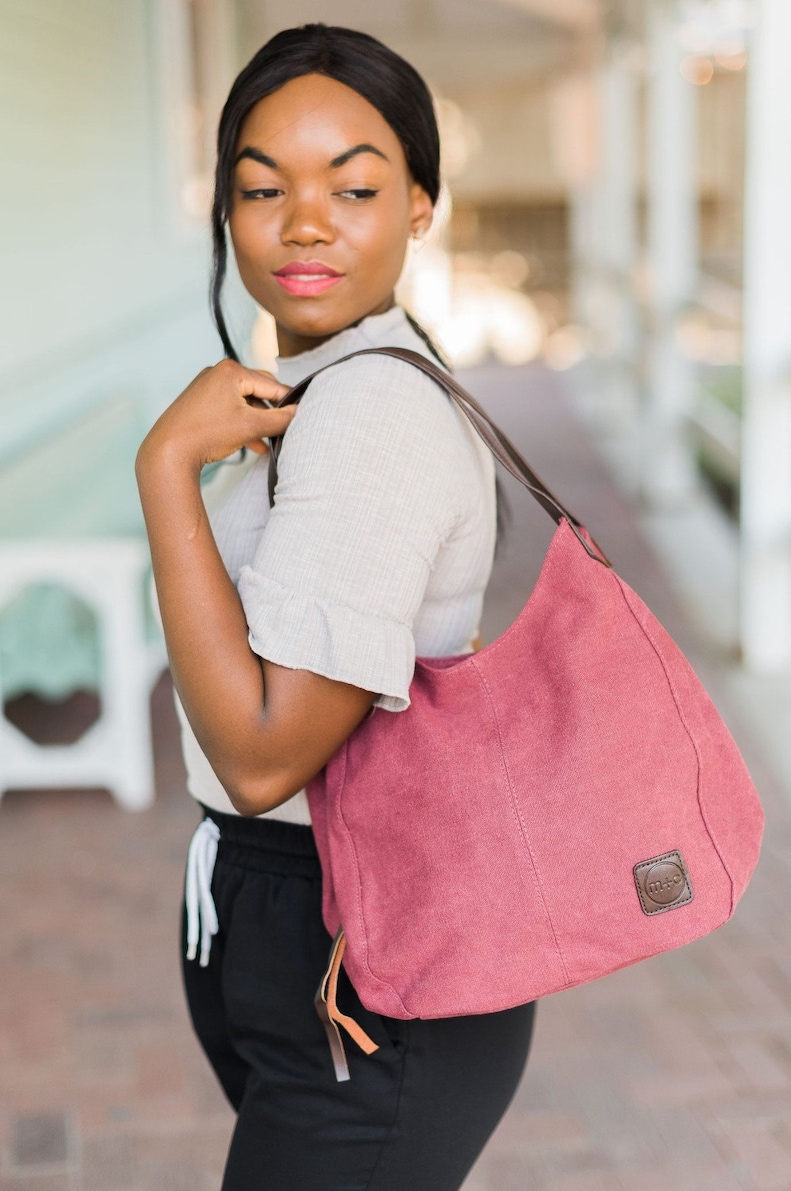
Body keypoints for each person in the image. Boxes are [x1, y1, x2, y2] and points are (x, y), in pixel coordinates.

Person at [136, 23, 535, 1190]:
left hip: (362, 971)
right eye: (262, 187)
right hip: (290, 930)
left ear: (419, 202)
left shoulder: (369, 415)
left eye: (353, 186)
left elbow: (264, 758)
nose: (304, 221)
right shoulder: (315, 386)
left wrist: (165, 472)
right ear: (224, 207)